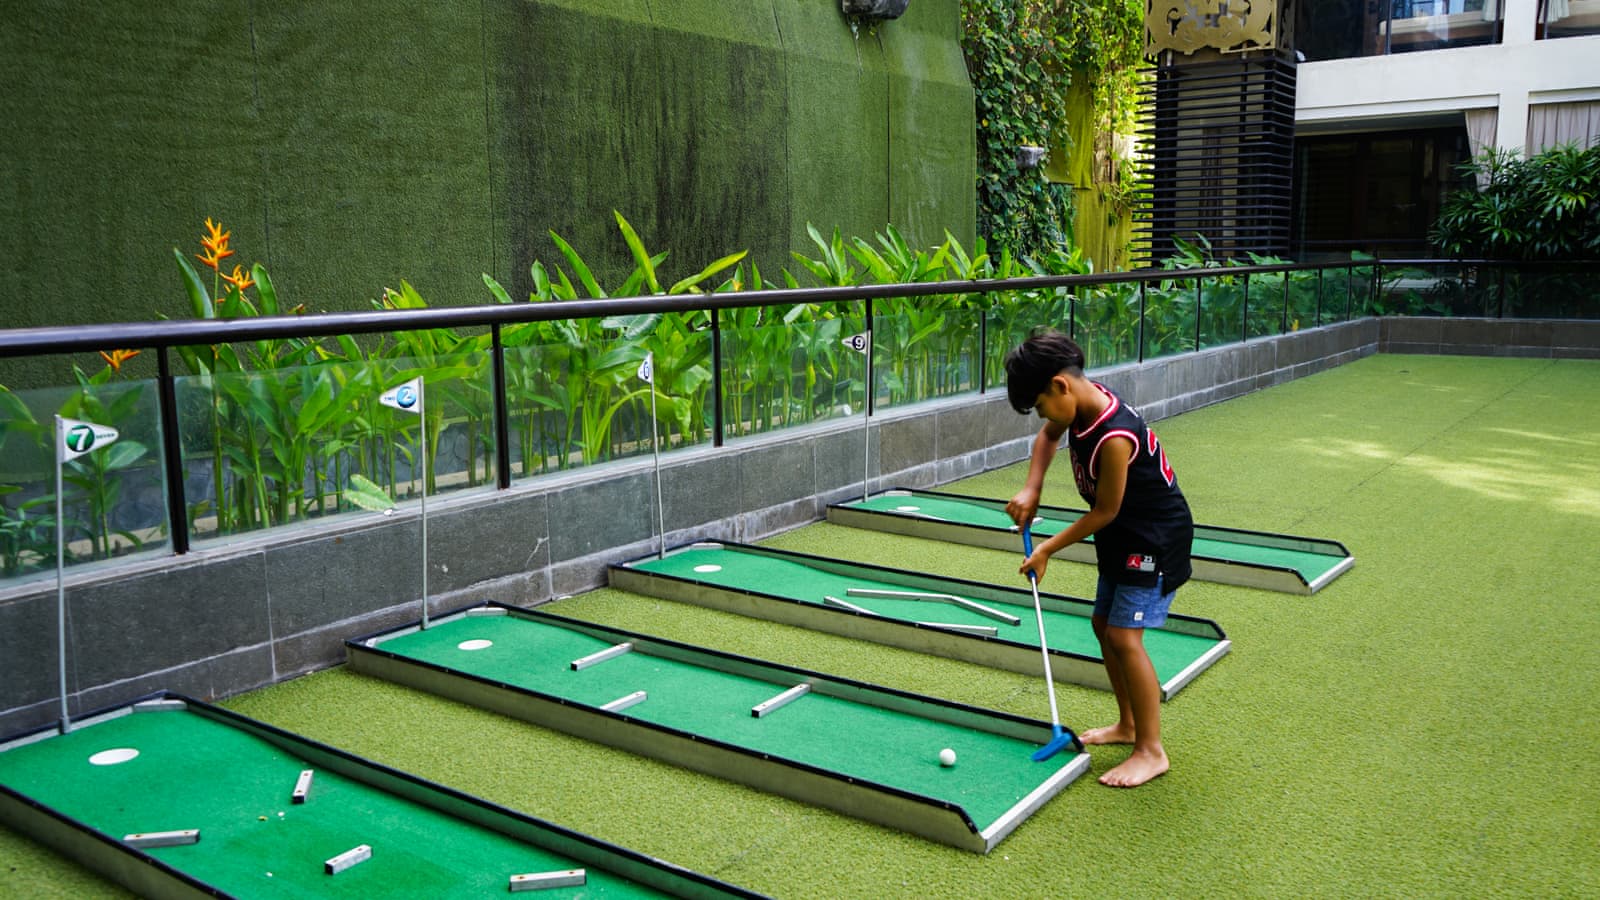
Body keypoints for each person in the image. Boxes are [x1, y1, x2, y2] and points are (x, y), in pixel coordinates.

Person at [1003, 329, 1193, 788]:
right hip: (1121, 535)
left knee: (1125, 637)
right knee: (1102, 624)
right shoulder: (1079, 404)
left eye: (1040, 405)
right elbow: (1048, 437)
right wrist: (1032, 487)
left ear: (1060, 386)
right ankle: (1128, 724)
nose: (1043, 415)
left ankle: (1151, 750)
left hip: (1153, 539)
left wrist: (1047, 548)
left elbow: (1105, 510)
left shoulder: (1113, 436)